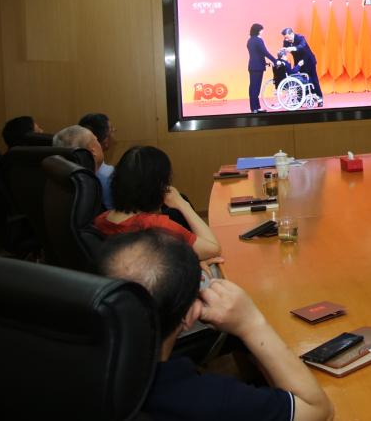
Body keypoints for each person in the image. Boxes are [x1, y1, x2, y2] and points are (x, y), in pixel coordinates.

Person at [96, 229, 334, 421]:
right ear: (190, 314)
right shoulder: (206, 400)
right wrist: (251, 323)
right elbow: (319, 411)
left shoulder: (76, 370)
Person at [93, 145, 221, 260]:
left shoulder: (101, 219)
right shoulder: (155, 225)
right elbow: (213, 249)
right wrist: (182, 204)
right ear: (156, 187)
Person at [79, 112, 118, 209]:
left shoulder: (71, 169)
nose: (114, 133)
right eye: (112, 130)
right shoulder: (112, 176)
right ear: (105, 140)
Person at [281, 27, 323, 106]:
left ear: (292, 34)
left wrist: (293, 48)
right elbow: (285, 51)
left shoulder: (300, 38)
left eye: (287, 37)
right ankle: (304, 98)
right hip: (299, 63)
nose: (286, 39)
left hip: (308, 61)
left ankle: (320, 99)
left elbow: (302, 46)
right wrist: (282, 53)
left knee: (313, 80)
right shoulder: (286, 41)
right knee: (301, 81)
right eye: (285, 38)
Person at [247, 23, 278, 114]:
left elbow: (257, 54)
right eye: (261, 30)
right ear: (258, 30)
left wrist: (265, 63)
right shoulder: (258, 40)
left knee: (253, 88)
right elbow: (265, 52)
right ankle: (255, 108)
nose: (262, 31)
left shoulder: (250, 40)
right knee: (256, 89)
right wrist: (275, 61)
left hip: (252, 66)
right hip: (257, 67)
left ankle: (255, 108)